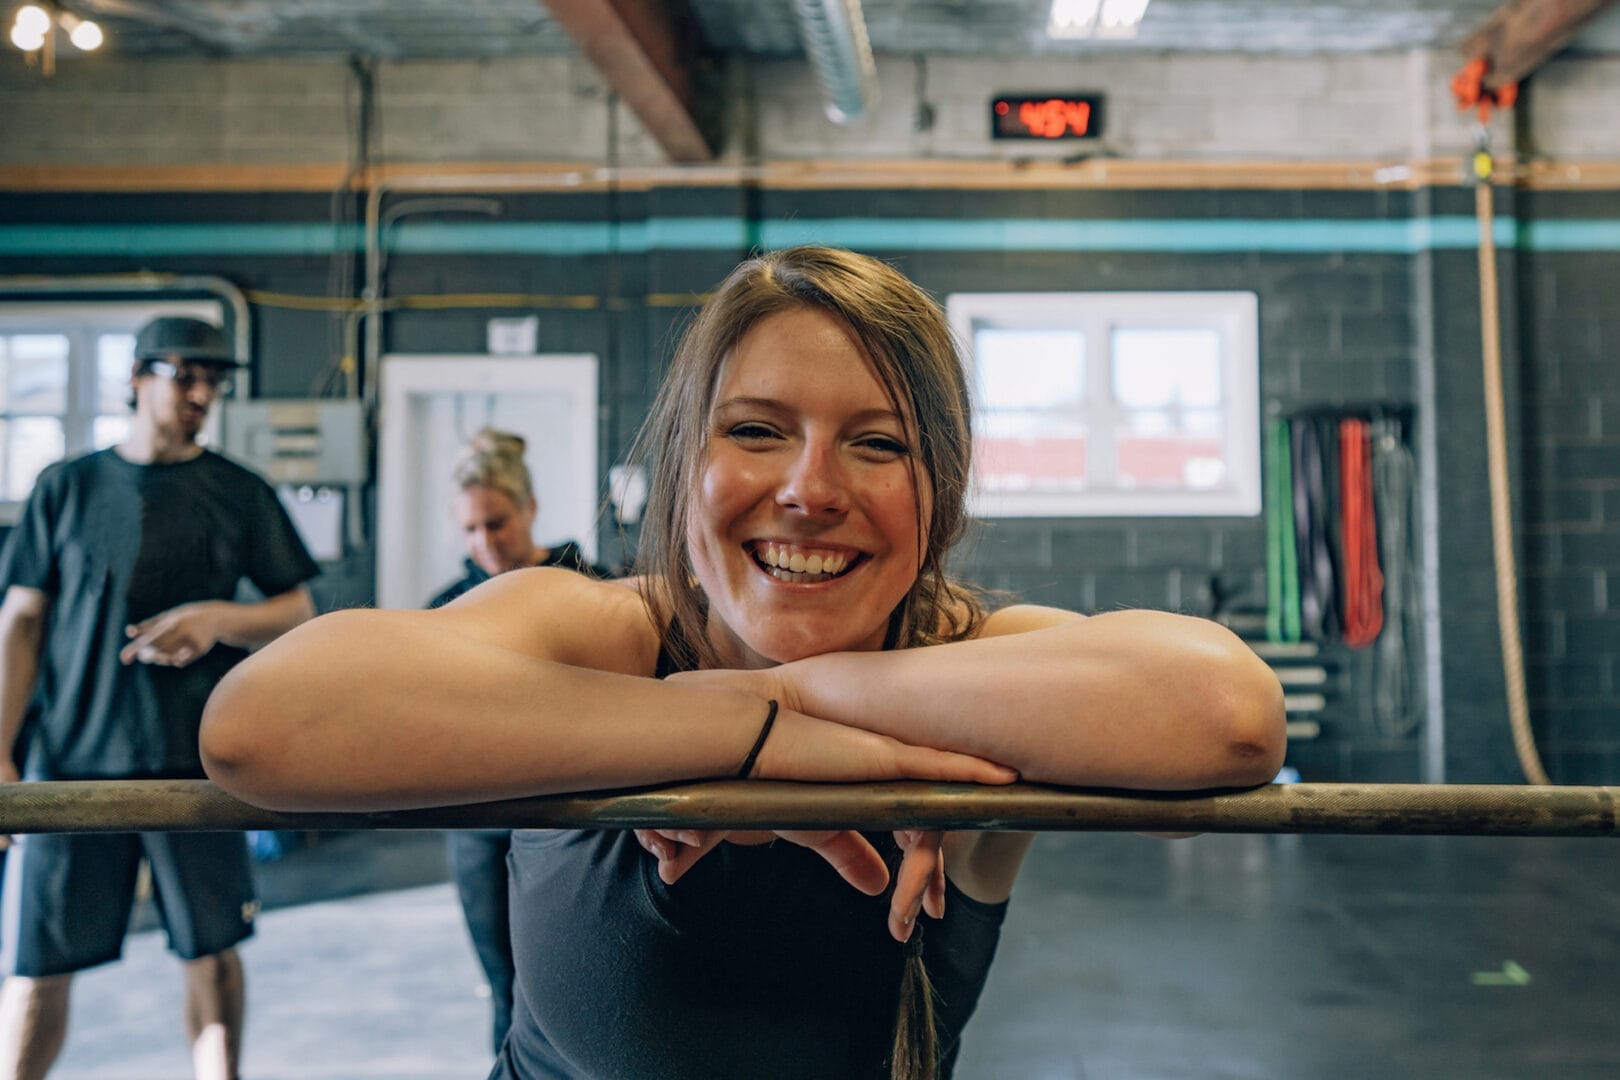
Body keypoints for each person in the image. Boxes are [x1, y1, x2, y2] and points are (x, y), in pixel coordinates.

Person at [200, 247, 1286, 1079]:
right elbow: (262, 727)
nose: (811, 487)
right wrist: (743, 732)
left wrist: (794, 690)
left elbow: (1225, 714)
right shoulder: (605, 632)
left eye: (878, 443)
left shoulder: (965, 664)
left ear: (938, 492)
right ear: (687, 464)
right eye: (759, 431)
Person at [0, 316, 320, 1080]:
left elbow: (297, 612)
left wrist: (219, 620)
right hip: (69, 766)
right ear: (137, 378)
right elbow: (21, 622)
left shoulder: (238, 493)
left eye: (215, 380)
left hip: (197, 767)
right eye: (186, 375)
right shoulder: (68, 487)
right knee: (40, 967)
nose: (202, 393)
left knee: (212, 955)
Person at [428, 427, 613, 1054]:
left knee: (579, 984)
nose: (485, 543)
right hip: (479, 822)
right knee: (504, 987)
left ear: (530, 507)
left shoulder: (591, 589)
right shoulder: (447, 607)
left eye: (497, 523)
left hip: (578, 820)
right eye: (471, 530)